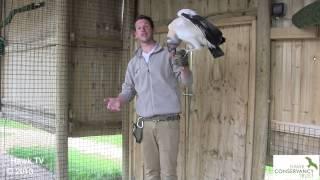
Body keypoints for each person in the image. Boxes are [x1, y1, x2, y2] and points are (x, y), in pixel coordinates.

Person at [105, 15, 193, 180]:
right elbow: (128, 90)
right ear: (135, 34)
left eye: (146, 26)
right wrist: (118, 100)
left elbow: (186, 81)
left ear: (152, 30)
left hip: (168, 123)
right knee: (151, 172)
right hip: (144, 124)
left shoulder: (169, 54)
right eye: (139, 28)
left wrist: (185, 66)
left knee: (168, 173)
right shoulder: (133, 64)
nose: (143, 29)